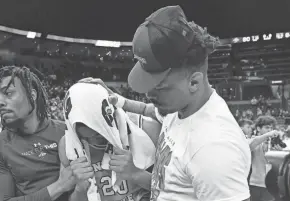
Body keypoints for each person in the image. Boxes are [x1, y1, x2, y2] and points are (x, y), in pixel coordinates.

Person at [83, 5, 252, 201]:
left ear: (194, 82)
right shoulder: (179, 106)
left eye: (160, 87)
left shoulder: (213, 150)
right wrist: (118, 99)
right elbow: (151, 111)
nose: (148, 93)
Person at [58, 82, 162, 201]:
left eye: (99, 134)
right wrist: (80, 189)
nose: (94, 142)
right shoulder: (68, 145)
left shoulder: (148, 129)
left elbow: (177, 189)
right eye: (85, 138)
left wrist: (137, 174)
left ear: (109, 117)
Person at [0, 66, 76, 201]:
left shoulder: (67, 133)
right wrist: (59, 186)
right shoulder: (2, 144)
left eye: (8, 93)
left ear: (32, 95)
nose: (0, 102)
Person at [249, 116, 282, 201]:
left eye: (271, 128)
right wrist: (267, 135)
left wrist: (278, 154)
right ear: (258, 128)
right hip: (256, 183)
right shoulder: (253, 140)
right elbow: (251, 145)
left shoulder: (274, 142)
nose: (269, 130)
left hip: (270, 183)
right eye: (267, 127)